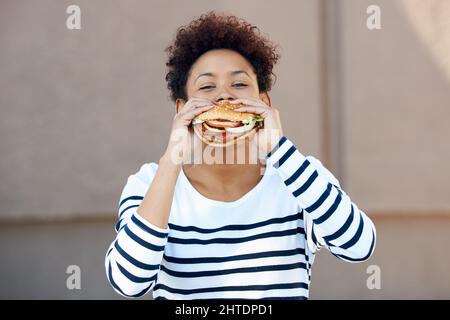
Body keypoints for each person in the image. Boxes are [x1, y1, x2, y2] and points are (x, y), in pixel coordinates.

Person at [105, 11, 376, 300]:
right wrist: (172, 159)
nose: (224, 96)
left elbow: (358, 246)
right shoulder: (150, 183)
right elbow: (128, 283)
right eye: (207, 86)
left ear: (264, 102)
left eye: (239, 84)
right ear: (181, 109)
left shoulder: (300, 176)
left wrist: (279, 150)